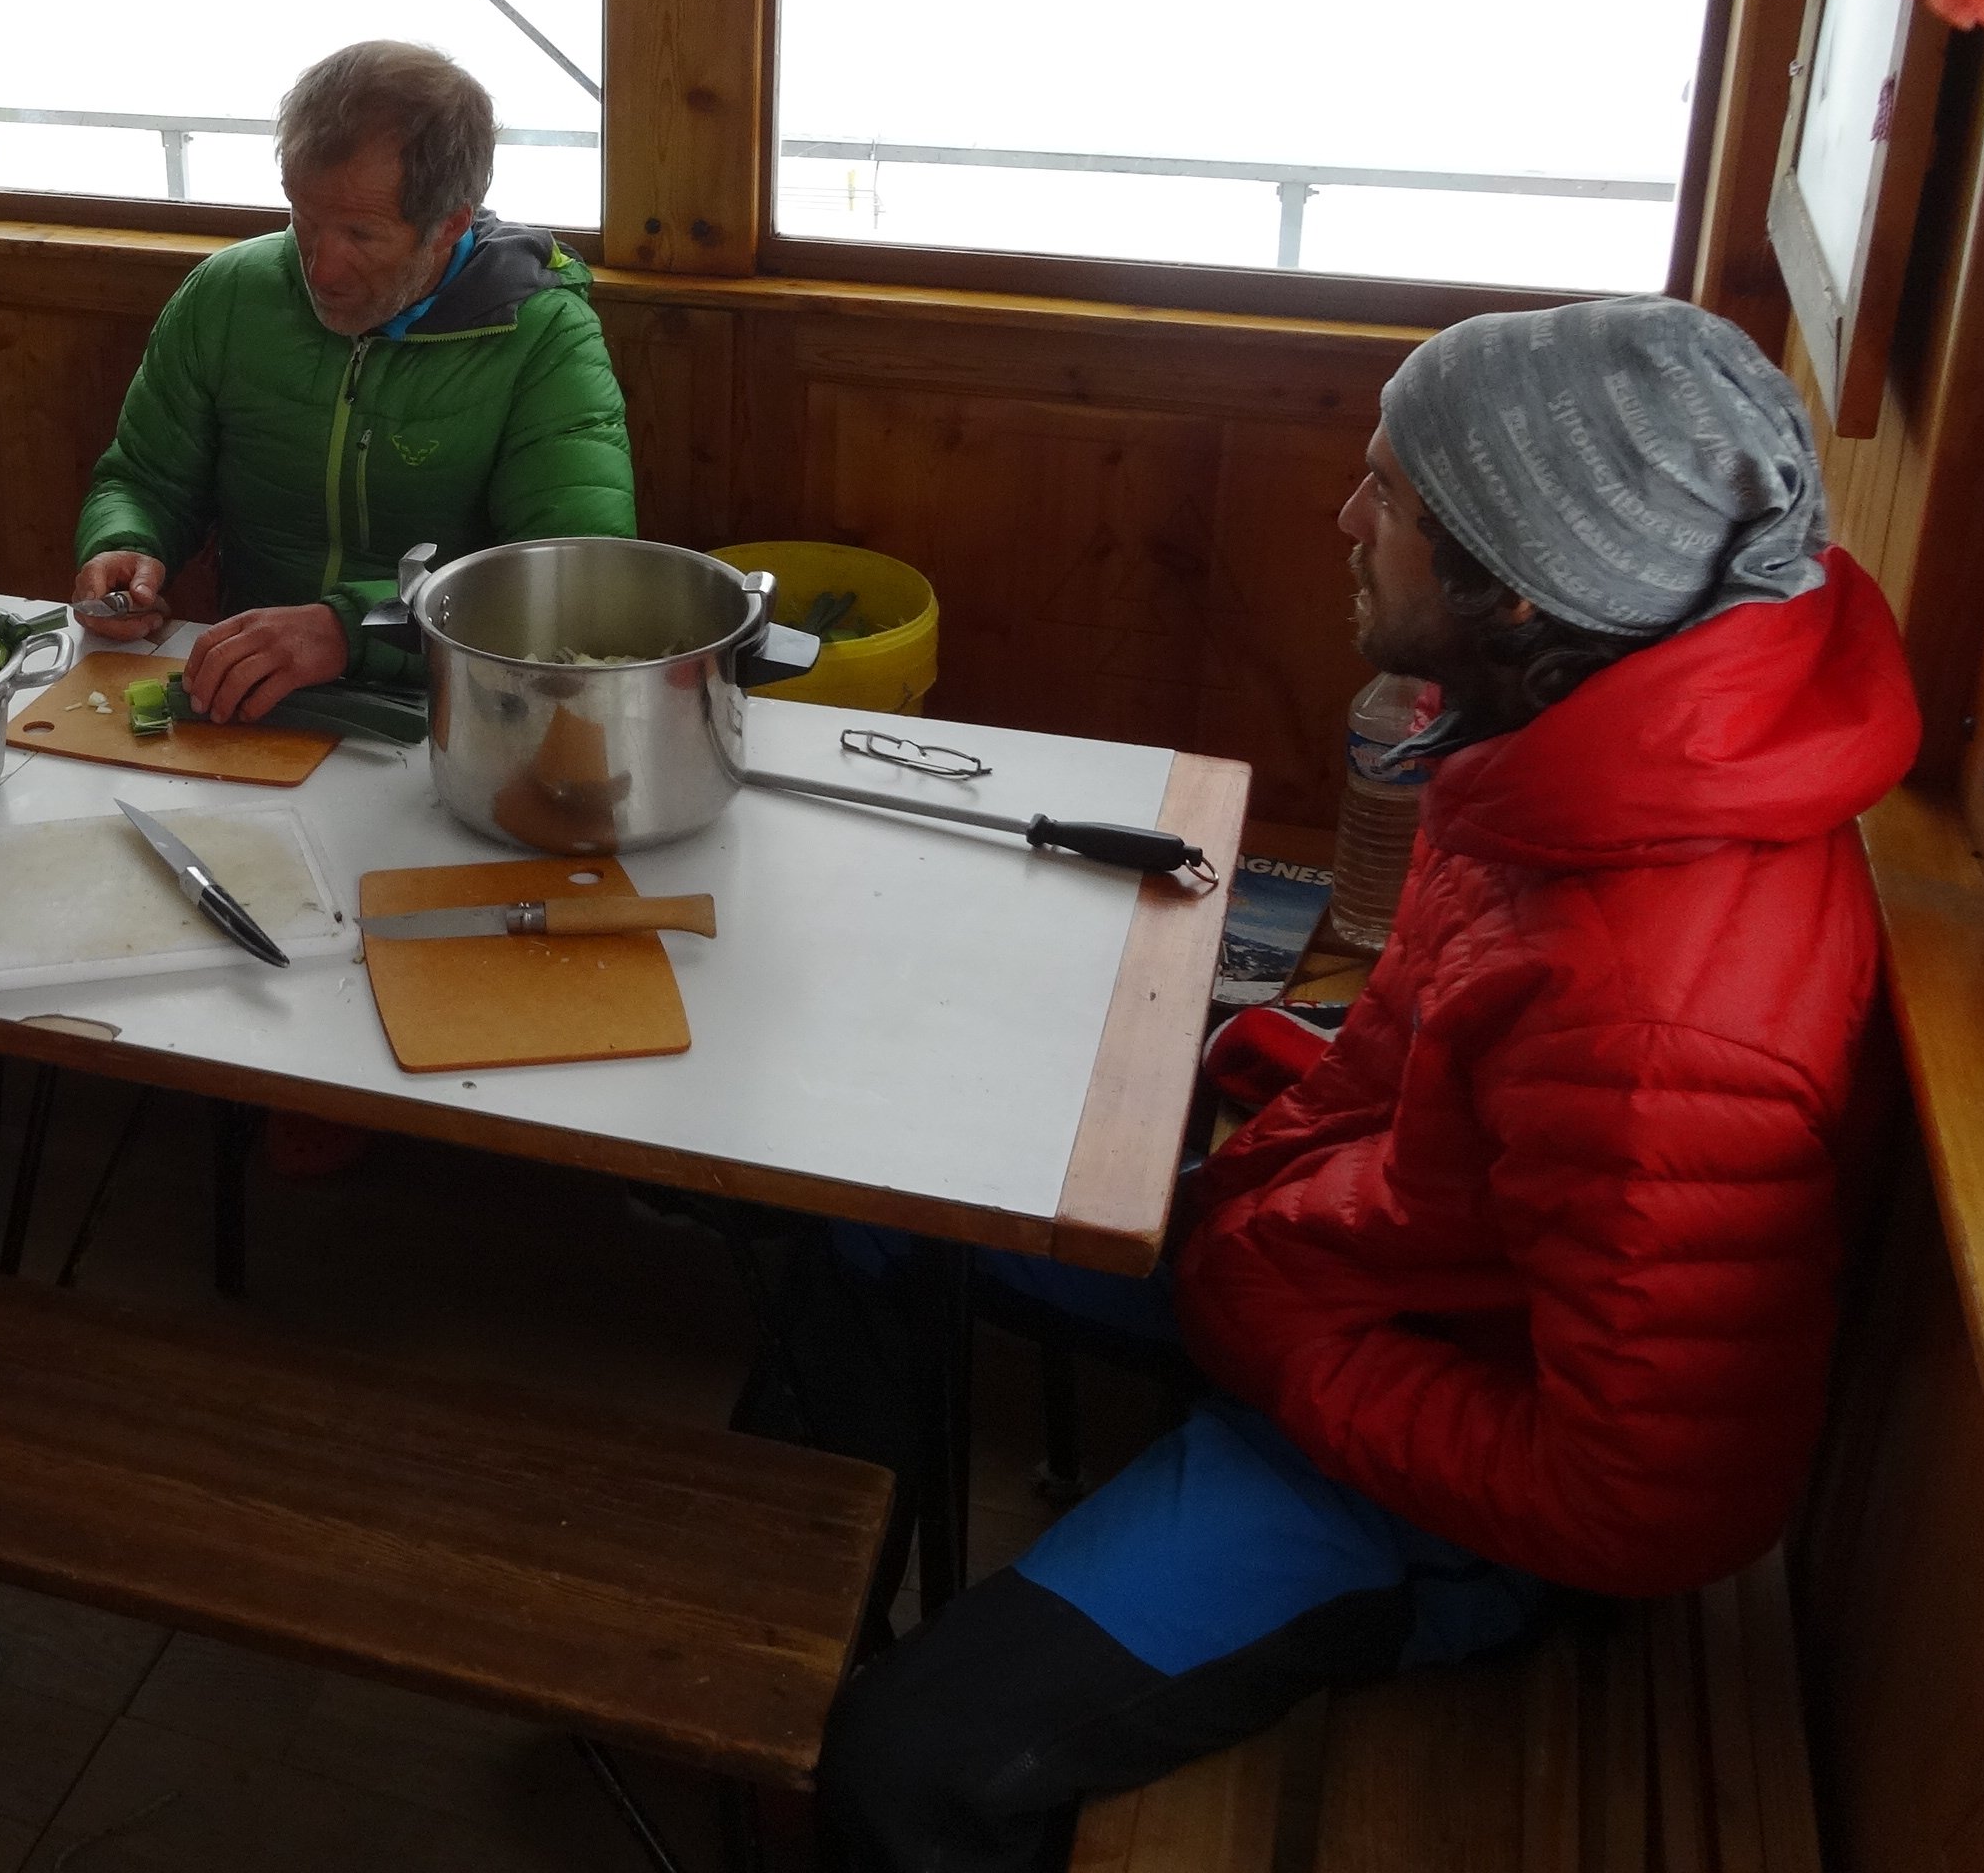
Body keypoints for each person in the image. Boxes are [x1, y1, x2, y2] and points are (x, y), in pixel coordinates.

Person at [815, 296, 1917, 1873]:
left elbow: (1652, 1504)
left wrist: (1286, 1345)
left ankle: (882, 1678)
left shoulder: (1661, 1016)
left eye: (1389, 496)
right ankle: (807, 1586)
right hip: (1347, 1271)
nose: (1346, 514)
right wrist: (1287, 1110)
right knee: (879, 1200)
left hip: (1441, 1489)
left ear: (1521, 591)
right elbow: (1454, 1082)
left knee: (907, 1768)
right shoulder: (1597, 752)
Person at [70, 40, 635, 723]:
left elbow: (569, 586)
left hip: (465, 713)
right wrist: (126, 545)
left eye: (361, 235)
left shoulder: (544, 335)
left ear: (448, 223)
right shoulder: (226, 294)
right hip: (245, 698)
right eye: (304, 220)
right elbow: (145, 479)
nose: (322, 269)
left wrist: (351, 630)